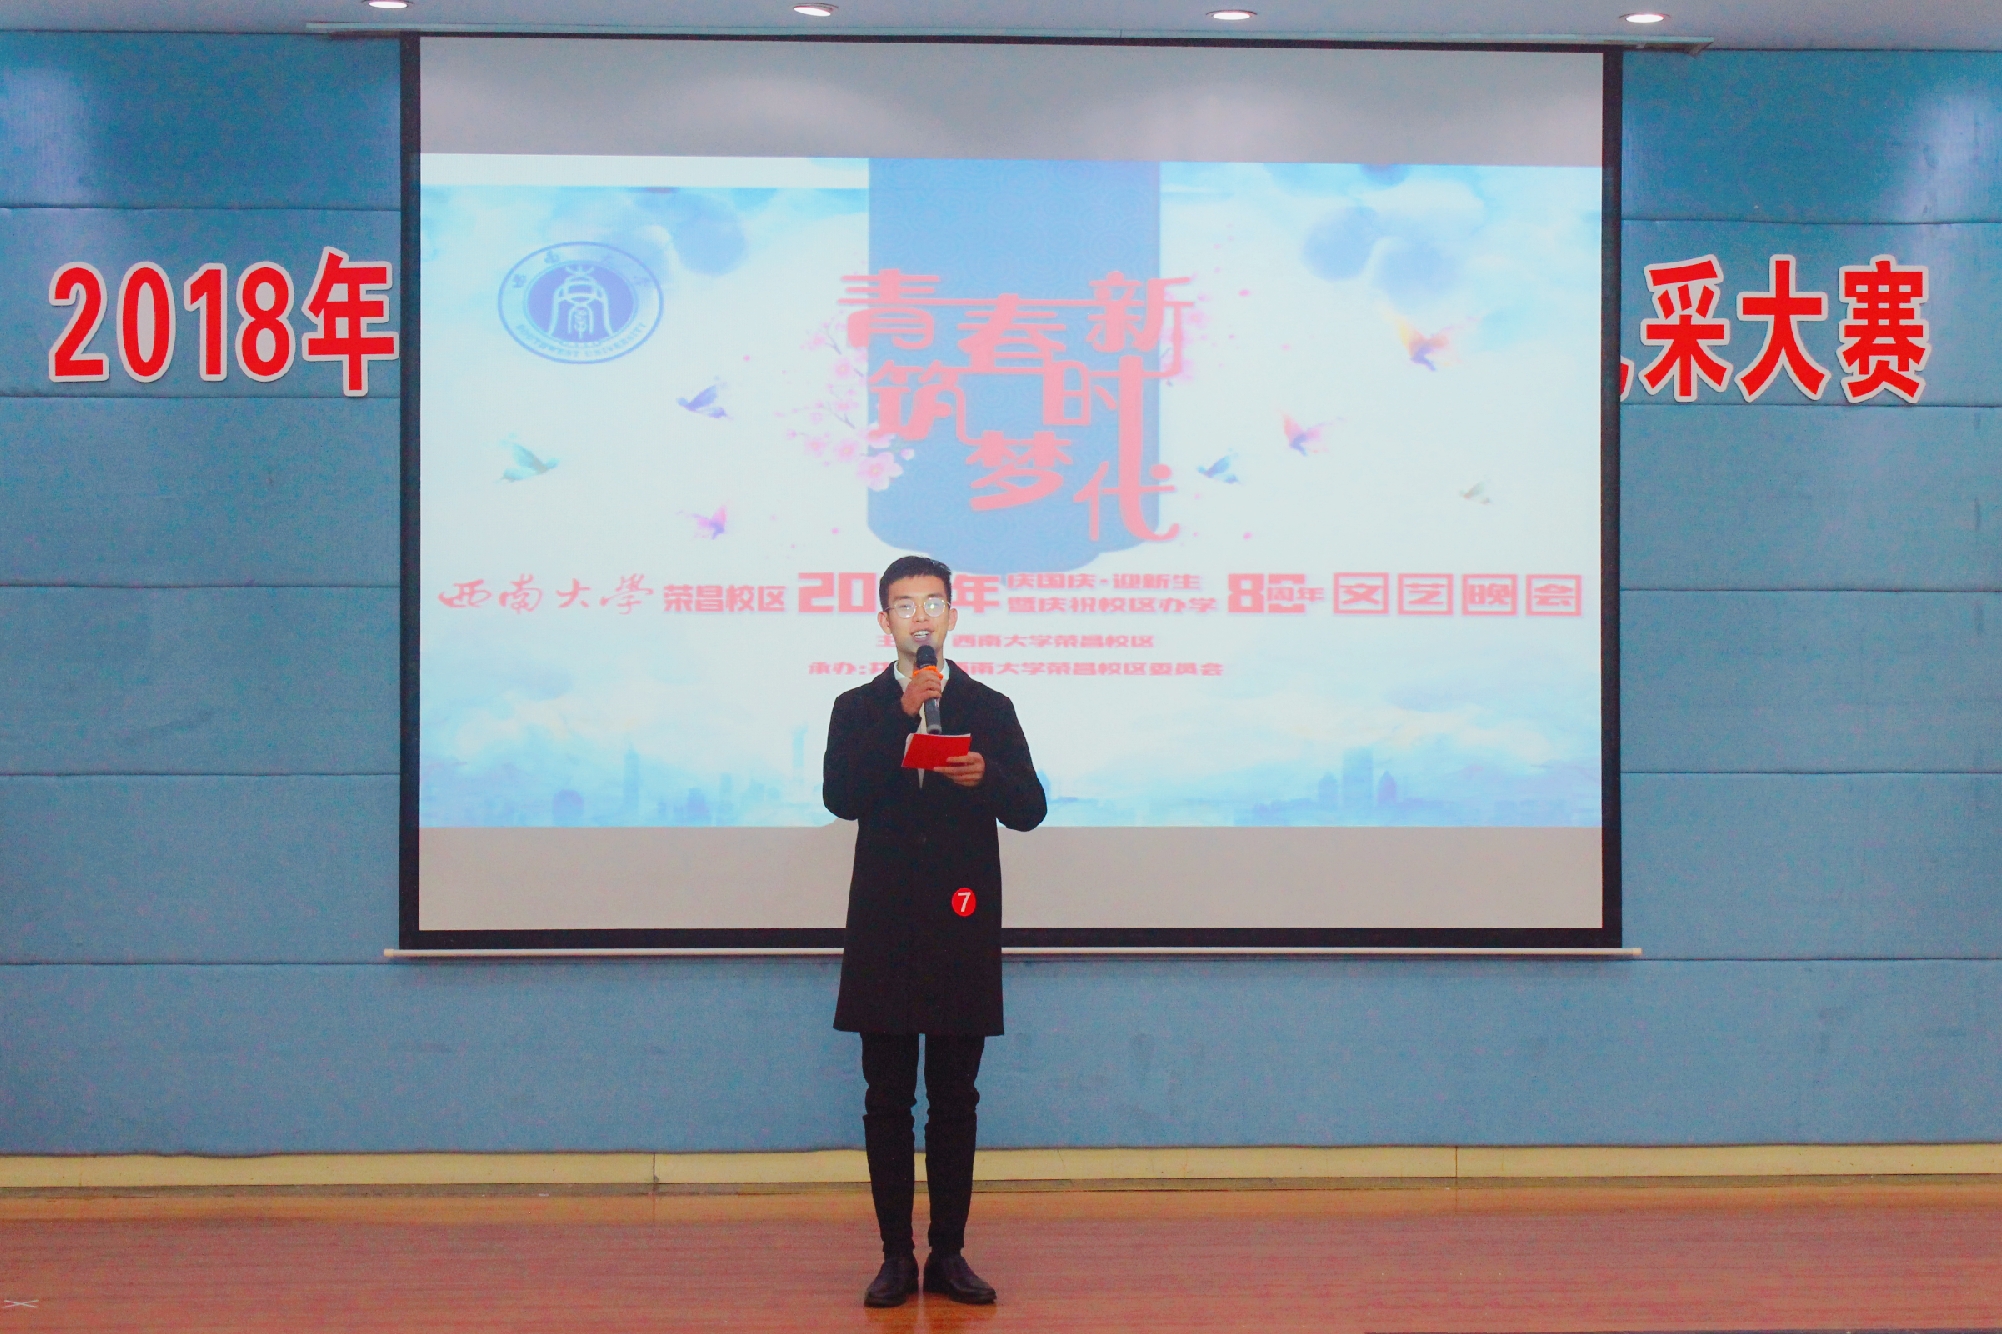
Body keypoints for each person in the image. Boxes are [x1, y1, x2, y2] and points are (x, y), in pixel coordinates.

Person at [822, 554, 1047, 1308]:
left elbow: (1030, 808)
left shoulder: (990, 706)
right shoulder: (858, 708)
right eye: (904, 605)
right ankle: (896, 1256)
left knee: (956, 1100)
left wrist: (988, 777)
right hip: (885, 928)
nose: (920, 617)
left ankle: (949, 1253)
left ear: (952, 616)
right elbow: (841, 795)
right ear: (883, 621)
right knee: (886, 1099)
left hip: (960, 926)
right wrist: (900, 715)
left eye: (932, 603)